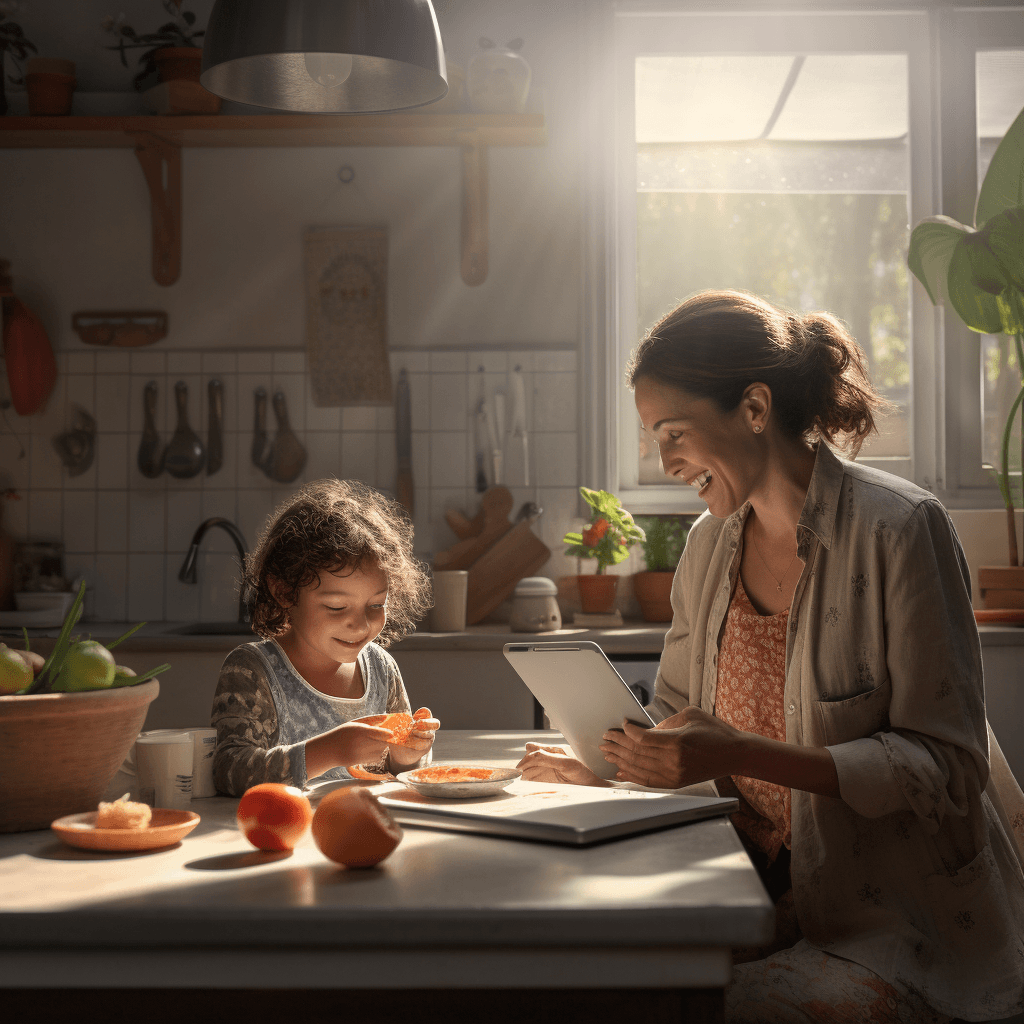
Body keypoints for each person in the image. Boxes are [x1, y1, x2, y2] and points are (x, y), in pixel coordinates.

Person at [518, 290, 1024, 1023]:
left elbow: (946, 769)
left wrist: (746, 753)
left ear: (754, 408)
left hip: (890, 931)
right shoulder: (706, 546)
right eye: (655, 439)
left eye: (675, 433)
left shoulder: (904, 529)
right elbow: (676, 716)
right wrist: (610, 763)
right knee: (591, 977)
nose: (665, 463)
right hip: (747, 890)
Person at [212, 479, 438, 796]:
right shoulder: (252, 670)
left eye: (376, 605)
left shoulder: (382, 669)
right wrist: (329, 752)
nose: (360, 626)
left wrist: (408, 757)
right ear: (285, 593)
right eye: (336, 607)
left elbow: (399, 775)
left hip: (361, 835)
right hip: (282, 838)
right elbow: (229, 771)